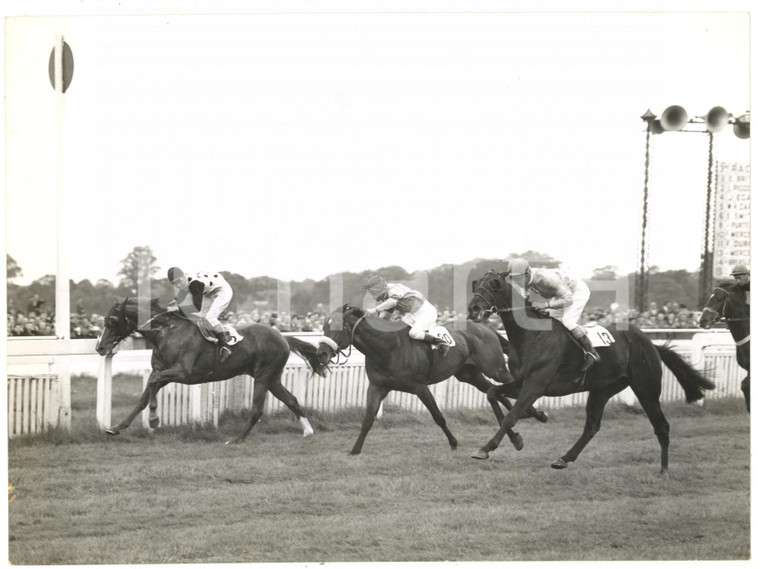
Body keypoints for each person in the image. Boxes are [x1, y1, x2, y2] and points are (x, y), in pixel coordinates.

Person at [507, 258, 600, 373]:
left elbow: (568, 300)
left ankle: (591, 352)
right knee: (550, 322)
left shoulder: (547, 279)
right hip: (560, 294)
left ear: (527, 273)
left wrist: (546, 305)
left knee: (568, 321)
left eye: (518, 277)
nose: (516, 281)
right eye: (513, 277)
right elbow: (525, 300)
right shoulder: (524, 281)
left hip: (576, 291)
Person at [167, 266, 234, 363]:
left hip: (222, 291)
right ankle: (210, 342)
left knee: (210, 317)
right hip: (209, 292)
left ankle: (225, 346)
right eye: (175, 283)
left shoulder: (194, 283)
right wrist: (175, 301)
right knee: (199, 317)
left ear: (183, 276)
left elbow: (196, 307)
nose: (178, 284)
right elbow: (183, 293)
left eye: (179, 280)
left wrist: (177, 308)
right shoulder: (185, 281)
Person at [364, 275, 448, 351]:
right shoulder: (386, 297)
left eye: (373, 293)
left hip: (426, 312)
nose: (372, 296)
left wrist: (374, 310)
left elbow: (392, 302)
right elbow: (385, 316)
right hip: (413, 314)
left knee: (413, 333)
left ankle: (441, 343)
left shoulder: (393, 290)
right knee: (398, 328)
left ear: (379, 290)